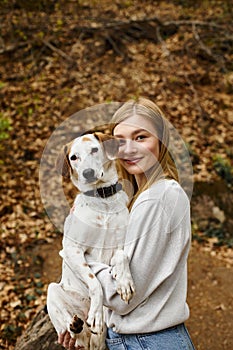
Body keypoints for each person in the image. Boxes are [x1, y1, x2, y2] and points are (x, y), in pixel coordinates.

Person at [58, 97, 195, 350]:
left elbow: (122, 299)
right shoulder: (135, 198)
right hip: (130, 339)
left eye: (141, 137)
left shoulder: (161, 197)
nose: (128, 149)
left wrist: (75, 256)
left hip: (151, 342)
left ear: (161, 141)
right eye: (121, 141)